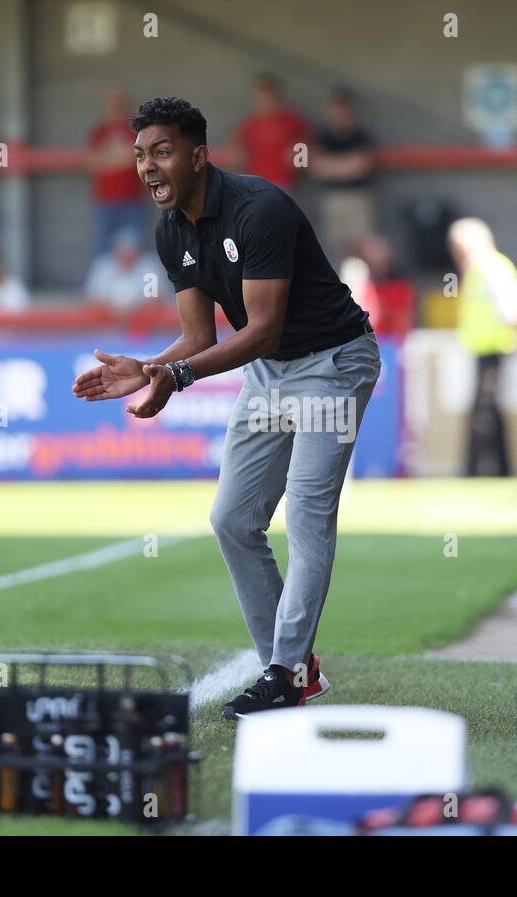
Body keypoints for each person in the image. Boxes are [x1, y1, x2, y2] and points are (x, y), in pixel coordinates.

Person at [72, 97, 379, 719]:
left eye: (162, 152)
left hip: (334, 363)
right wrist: (149, 367)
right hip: (271, 373)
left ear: (199, 156)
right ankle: (292, 670)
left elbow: (261, 329)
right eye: (140, 155)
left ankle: (286, 673)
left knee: (309, 517)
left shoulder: (259, 209)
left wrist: (174, 374)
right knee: (232, 519)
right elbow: (200, 339)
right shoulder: (171, 231)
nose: (148, 167)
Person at [447, 217, 517, 477]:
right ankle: (499, 470)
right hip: (486, 349)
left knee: (484, 412)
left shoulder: (487, 267)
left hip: (492, 349)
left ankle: (477, 471)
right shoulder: (486, 266)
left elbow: (513, 309)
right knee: (489, 410)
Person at [311, 87, 377, 260]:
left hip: (357, 197)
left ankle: (362, 286)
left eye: (344, 110)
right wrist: (346, 165)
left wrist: (332, 165)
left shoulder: (361, 136)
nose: (341, 114)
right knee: (334, 247)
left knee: (361, 245)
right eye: (337, 109)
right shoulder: (322, 136)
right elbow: (316, 166)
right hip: (331, 198)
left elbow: (362, 167)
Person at [85, 88, 146, 259]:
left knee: (132, 247)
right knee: (103, 247)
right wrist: (122, 158)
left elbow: (138, 159)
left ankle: (131, 286)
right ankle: (102, 284)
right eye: (113, 102)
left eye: (120, 102)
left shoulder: (136, 130)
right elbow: (91, 162)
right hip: (104, 199)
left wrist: (107, 159)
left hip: (131, 199)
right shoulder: (100, 131)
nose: (116, 106)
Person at [227, 74, 311, 191]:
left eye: (269, 96)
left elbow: (308, 149)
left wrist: (299, 160)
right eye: (262, 96)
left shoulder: (294, 121)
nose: (266, 101)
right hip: (257, 185)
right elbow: (236, 154)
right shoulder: (249, 124)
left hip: (287, 185)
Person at [83, 227, 167, 313]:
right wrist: (115, 311)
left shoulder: (148, 266)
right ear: (115, 252)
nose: (126, 257)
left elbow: (156, 300)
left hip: (144, 320)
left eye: (130, 253)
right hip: (106, 321)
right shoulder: (103, 267)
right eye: (123, 253)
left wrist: (132, 310)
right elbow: (93, 299)